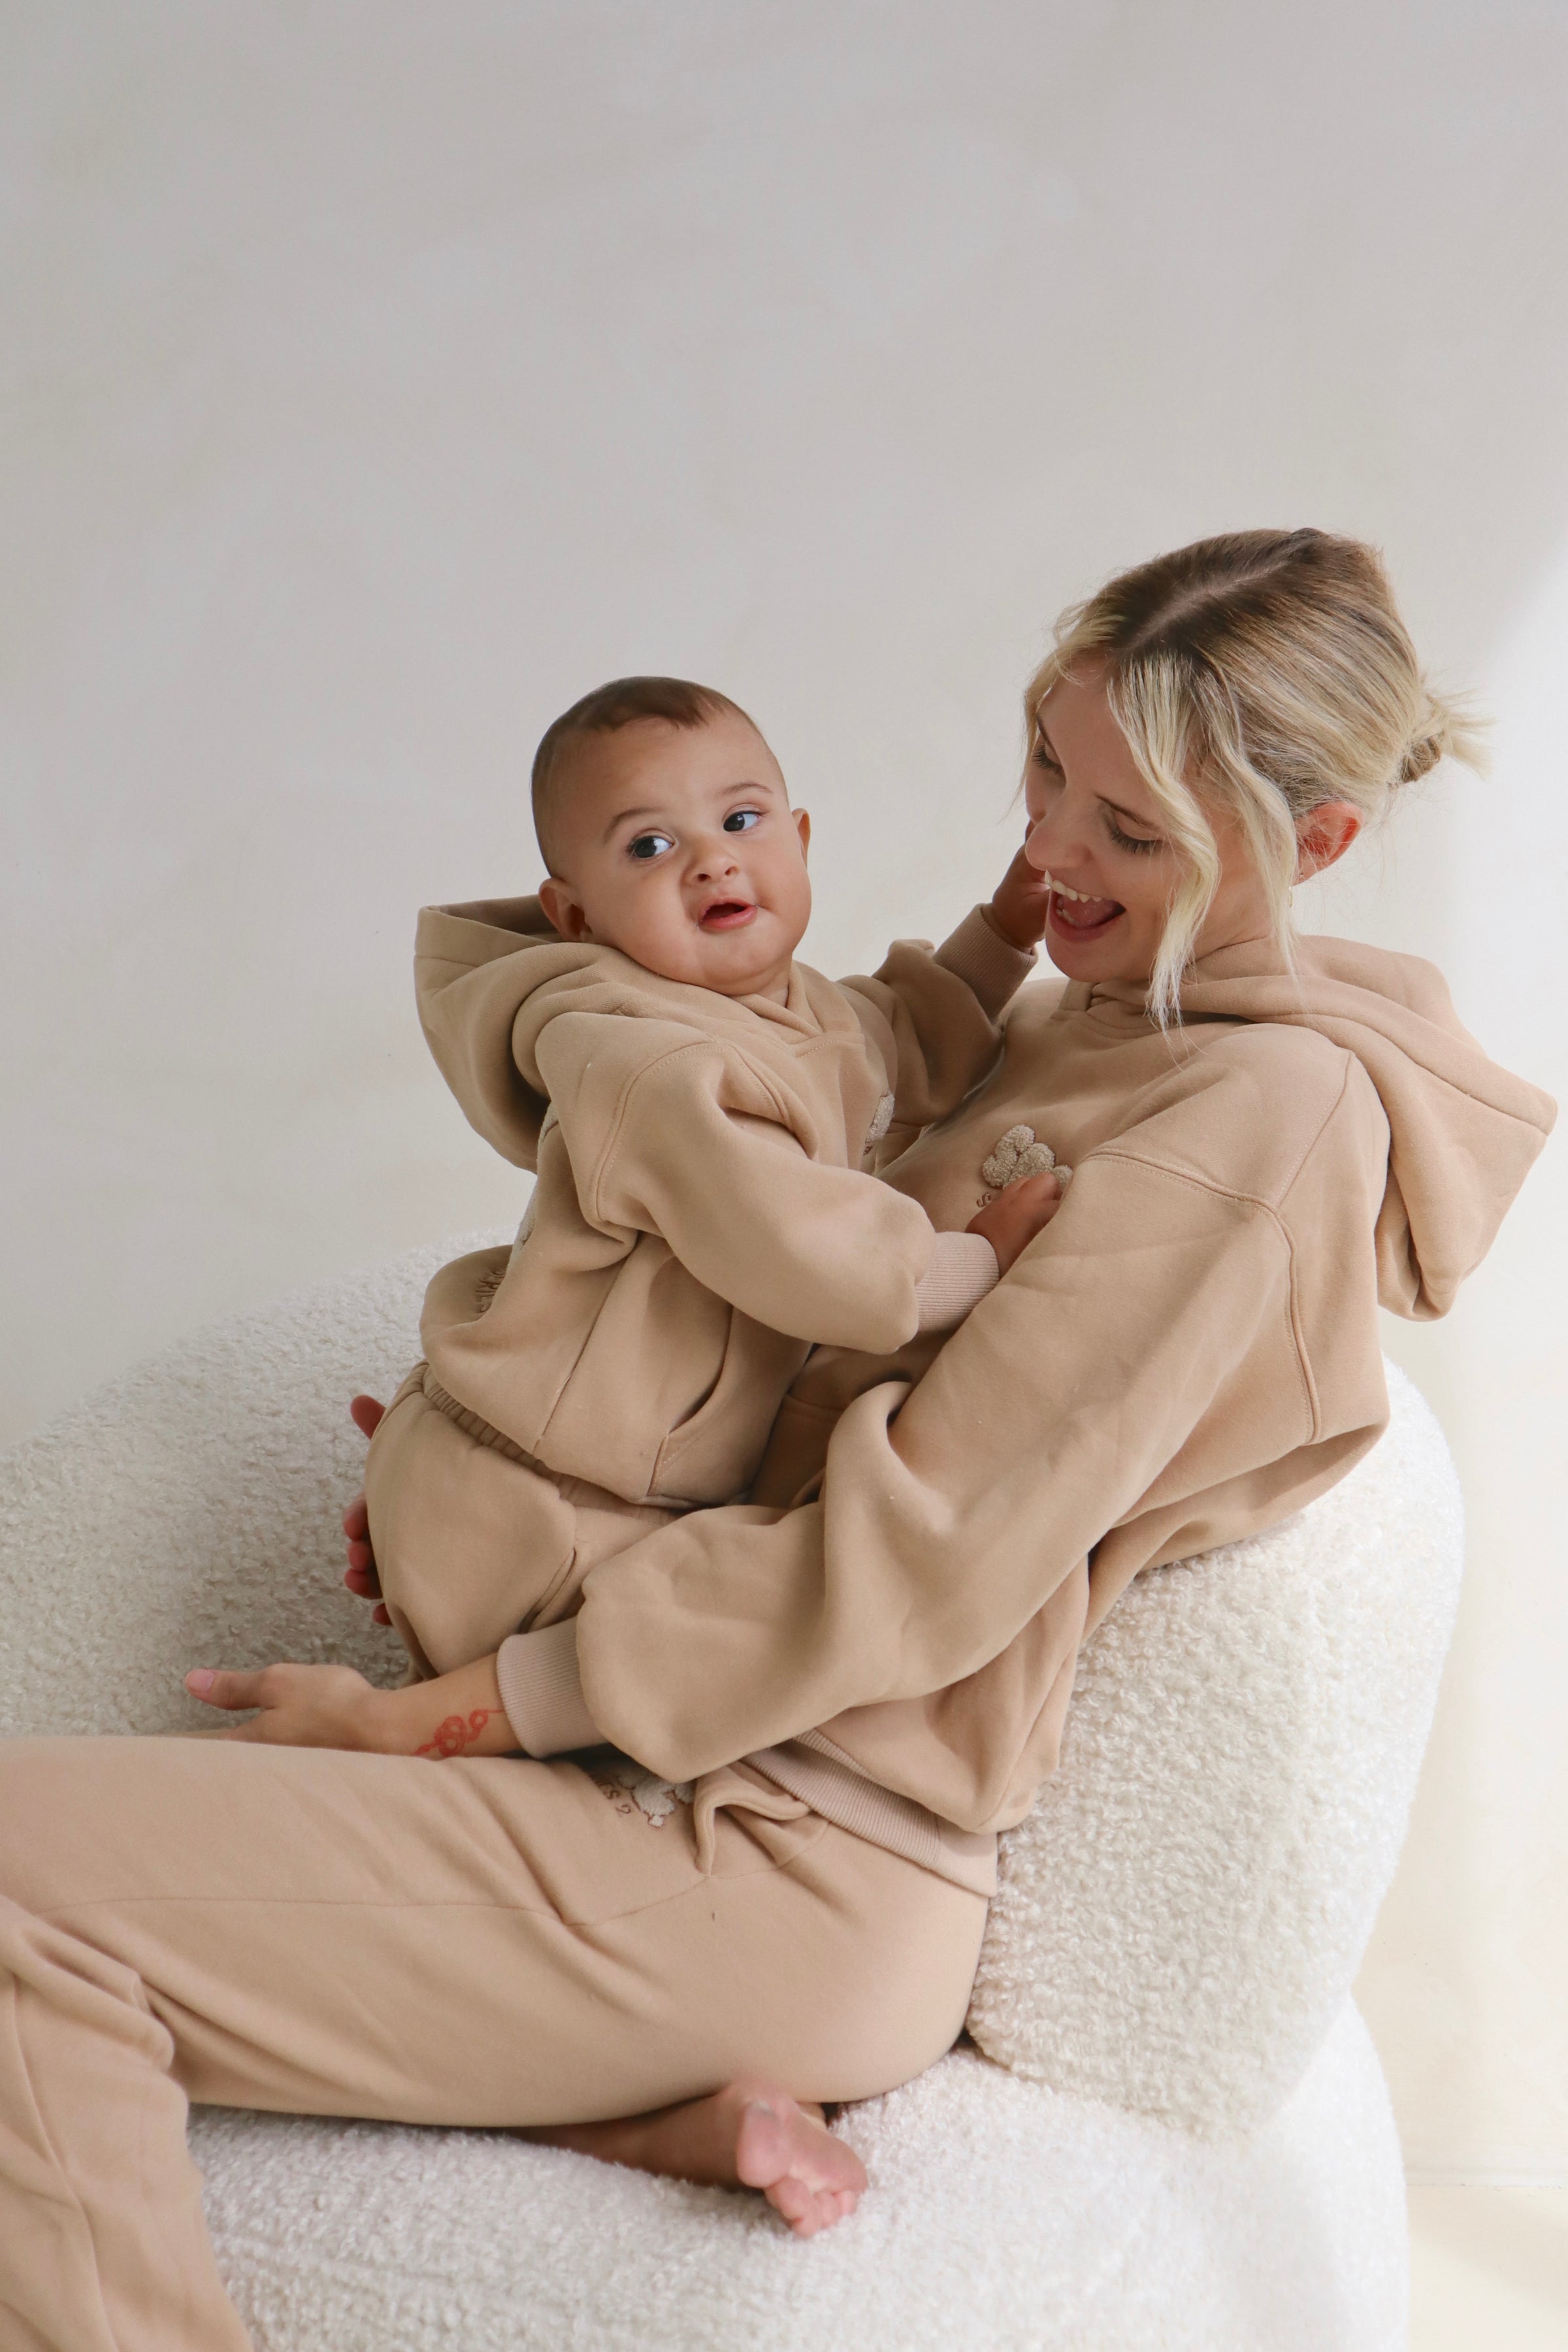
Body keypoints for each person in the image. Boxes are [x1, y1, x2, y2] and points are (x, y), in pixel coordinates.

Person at [0, 532, 1552, 2352]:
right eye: (1046, 768)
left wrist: (460, 1707)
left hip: (777, 1851)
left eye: (1128, 830)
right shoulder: (1091, 1018)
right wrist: (501, 1482)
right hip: (669, 1789)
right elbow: (774, 1346)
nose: (1049, 849)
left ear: (1316, 844)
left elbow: (912, 1555)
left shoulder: (1259, 1124)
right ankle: (642, 2112)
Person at [367, 672, 1064, 1688]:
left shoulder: (793, 1009)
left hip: (597, 1484)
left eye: (741, 820)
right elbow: (796, 1241)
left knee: (628, 1701)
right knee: (610, 1711)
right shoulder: (647, 1064)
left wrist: (1004, 934)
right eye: (650, 846)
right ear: (575, 914)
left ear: (801, 839)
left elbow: (892, 1039)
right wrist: (978, 1260)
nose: (712, 860)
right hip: (535, 1500)